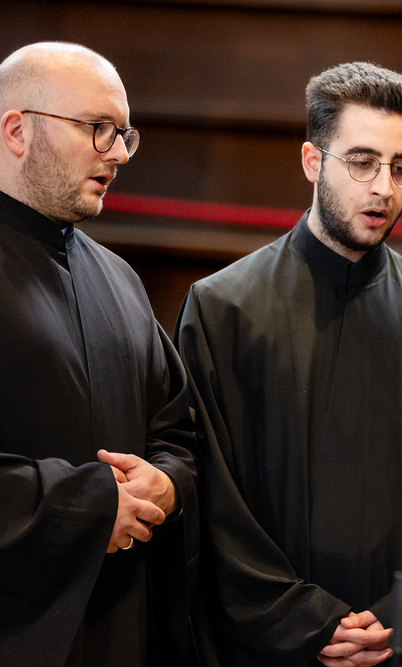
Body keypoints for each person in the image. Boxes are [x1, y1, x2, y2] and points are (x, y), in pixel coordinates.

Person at [174, 62, 402, 667]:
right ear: (312, 162)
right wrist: (307, 622)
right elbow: (211, 497)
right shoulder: (224, 309)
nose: (384, 188)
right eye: (362, 162)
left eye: (401, 167)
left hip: (398, 647)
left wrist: (399, 618)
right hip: (263, 647)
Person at [0, 42, 198, 667]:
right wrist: (89, 506)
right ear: (16, 131)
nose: (118, 153)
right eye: (97, 128)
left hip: (121, 628)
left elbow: (178, 433)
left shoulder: (120, 279)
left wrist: (166, 482)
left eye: (124, 134)